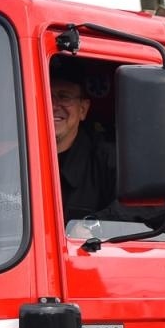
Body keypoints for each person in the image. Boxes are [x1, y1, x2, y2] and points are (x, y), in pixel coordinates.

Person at [50, 56, 117, 222]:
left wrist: (94, 225)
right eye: (46, 95)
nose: (53, 106)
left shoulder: (108, 160)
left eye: (64, 96)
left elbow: (149, 208)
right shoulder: (15, 161)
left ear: (83, 109)